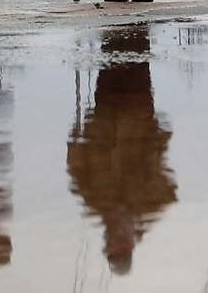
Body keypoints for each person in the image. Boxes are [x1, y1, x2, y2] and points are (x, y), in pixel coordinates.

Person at [65, 25, 177, 273]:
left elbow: (76, 168)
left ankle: (133, 1)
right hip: (133, 120)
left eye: (113, 242)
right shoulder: (149, 205)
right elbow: (169, 187)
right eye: (119, 241)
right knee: (124, 69)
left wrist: (75, 142)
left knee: (117, 69)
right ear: (130, 242)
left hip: (111, 120)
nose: (116, 235)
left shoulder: (94, 202)